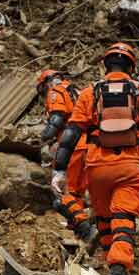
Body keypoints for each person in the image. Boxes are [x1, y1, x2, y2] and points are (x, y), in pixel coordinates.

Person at [52, 43, 139, 275]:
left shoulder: (90, 93)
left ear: (105, 65)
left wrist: (59, 170)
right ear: (131, 67)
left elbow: (70, 134)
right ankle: (117, 274)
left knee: (103, 220)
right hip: (130, 164)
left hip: (97, 167)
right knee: (123, 217)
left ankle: (109, 265)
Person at [37, 70, 94, 244]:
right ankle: (76, 225)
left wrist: (44, 136)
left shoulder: (56, 91)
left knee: (60, 191)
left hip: (72, 146)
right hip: (90, 144)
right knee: (76, 191)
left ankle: (84, 227)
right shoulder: (78, 91)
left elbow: (57, 117)